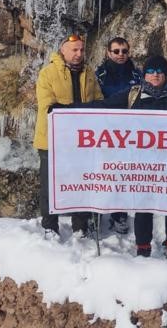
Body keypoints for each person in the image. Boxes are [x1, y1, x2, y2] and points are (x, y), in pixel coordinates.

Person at [70, 55, 167, 258]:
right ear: (144, 74)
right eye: (151, 71)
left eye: (160, 71)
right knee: (144, 206)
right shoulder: (134, 95)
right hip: (142, 162)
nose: (155, 75)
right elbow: (103, 107)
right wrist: (67, 110)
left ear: (166, 74)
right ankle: (143, 247)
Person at [34, 33, 103, 235]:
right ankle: (50, 226)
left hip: (81, 141)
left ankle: (80, 225)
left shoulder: (89, 73)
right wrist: (79, 109)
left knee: (81, 181)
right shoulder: (47, 74)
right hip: (52, 140)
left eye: (81, 50)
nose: (79, 54)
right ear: (63, 50)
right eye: (74, 50)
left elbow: (99, 99)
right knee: (50, 184)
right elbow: (48, 105)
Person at [94, 36, 142, 234]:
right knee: (99, 172)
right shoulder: (99, 74)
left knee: (121, 173)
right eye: (116, 51)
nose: (120, 55)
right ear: (108, 52)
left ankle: (119, 214)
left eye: (124, 51)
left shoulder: (137, 74)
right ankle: (94, 213)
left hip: (128, 131)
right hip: (104, 129)